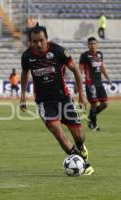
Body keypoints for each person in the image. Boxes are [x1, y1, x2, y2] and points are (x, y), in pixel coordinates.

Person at [20, 24, 94, 175]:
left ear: (47, 38)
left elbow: (75, 71)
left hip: (64, 98)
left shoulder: (58, 51)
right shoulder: (27, 56)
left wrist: (81, 94)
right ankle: (83, 165)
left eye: (41, 40)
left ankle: (80, 146)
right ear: (30, 42)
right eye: (34, 41)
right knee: (58, 132)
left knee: (79, 136)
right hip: (44, 102)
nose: (38, 44)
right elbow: (24, 74)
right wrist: (22, 96)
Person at [79, 37, 112, 131]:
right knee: (94, 103)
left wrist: (108, 79)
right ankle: (93, 124)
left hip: (99, 83)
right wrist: (78, 84)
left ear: (97, 44)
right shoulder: (84, 55)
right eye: (90, 44)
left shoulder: (99, 54)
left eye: (94, 43)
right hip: (90, 83)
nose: (92, 45)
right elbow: (80, 70)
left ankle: (90, 116)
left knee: (104, 104)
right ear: (88, 45)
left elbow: (102, 67)